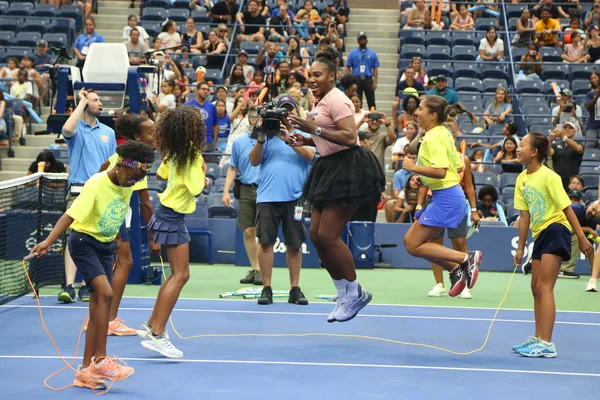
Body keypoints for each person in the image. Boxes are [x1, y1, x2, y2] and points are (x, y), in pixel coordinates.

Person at [30, 140, 155, 390]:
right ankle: (101, 360)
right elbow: (69, 216)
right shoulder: (96, 185)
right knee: (105, 294)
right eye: (133, 177)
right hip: (83, 243)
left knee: (97, 304)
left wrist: (116, 242)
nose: (135, 182)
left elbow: (118, 210)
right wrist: (47, 241)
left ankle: (85, 372)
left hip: (106, 247)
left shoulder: (131, 178)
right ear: (122, 166)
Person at [289, 47, 386, 322]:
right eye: (310, 75)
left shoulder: (338, 99)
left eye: (317, 74)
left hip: (349, 168)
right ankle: (343, 292)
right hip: (329, 166)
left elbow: (349, 136)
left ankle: (356, 293)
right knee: (317, 237)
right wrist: (306, 140)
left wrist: (314, 130)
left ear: (332, 76)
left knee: (329, 236)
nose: (312, 79)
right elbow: (326, 137)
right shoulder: (320, 101)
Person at [513, 132, 593, 357]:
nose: (518, 149)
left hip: (557, 229)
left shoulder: (549, 176)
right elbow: (525, 216)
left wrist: (582, 237)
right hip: (540, 234)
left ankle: (547, 343)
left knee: (545, 287)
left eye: (522, 145)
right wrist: (521, 247)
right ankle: (538, 338)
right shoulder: (522, 179)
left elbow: (567, 208)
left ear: (534, 152)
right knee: (535, 287)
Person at [137, 106, 206, 359]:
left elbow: (161, 173)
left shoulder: (175, 152)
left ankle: (150, 325)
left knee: (177, 274)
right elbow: (197, 187)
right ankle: (157, 334)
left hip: (167, 212)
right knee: (181, 275)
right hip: (172, 216)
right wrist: (203, 173)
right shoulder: (191, 154)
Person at [401, 95, 481, 298]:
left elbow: (442, 171)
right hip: (446, 194)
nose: (416, 113)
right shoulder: (443, 133)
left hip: (446, 197)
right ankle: (456, 269)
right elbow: (455, 166)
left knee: (413, 244)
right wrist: (424, 180)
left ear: (433, 115)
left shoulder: (433, 137)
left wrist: (414, 168)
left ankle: (465, 258)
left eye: (420, 109)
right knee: (409, 240)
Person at [93, 114, 159, 336]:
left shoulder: (120, 154)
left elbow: (101, 170)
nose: (155, 135)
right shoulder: (138, 161)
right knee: (123, 262)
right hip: (108, 215)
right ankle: (107, 320)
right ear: (137, 136)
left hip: (110, 212)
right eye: (150, 132)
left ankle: (105, 318)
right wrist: (153, 237)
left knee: (122, 262)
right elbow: (146, 205)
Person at [249, 95, 314, 305]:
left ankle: (294, 289)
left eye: (289, 110)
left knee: (294, 245)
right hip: (267, 197)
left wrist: (289, 138)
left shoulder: (304, 134)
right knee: (266, 243)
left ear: (295, 112)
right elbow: (254, 160)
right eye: (282, 111)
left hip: (294, 197)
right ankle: (266, 289)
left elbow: (310, 156)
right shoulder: (267, 133)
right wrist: (260, 138)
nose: (286, 115)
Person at [60, 88, 116, 303]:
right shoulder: (76, 130)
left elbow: (112, 163)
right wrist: (81, 102)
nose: (100, 103)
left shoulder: (108, 132)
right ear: (84, 105)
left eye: (100, 99)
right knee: (73, 237)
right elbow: (66, 128)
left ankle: (87, 285)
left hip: (102, 191)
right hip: (79, 189)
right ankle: (69, 286)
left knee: (95, 237)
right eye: (95, 100)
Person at [222, 122, 263, 286]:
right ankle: (255, 269)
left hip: (266, 188)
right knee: (248, 231)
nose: (256, 121)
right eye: (253, 118)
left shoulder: (271, 139)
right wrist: (226, 191)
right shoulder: (239, 142)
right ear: (250, 120)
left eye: (258, 118)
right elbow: (233, 168)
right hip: (246, 188)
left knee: (263, 233)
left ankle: (262, 270)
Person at [345, 32, 379, 111]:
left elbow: (375, 69)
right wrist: (348, 83)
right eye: (360, 39)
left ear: (366, 40)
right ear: (357, 41)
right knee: (356, 99)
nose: (362, 40)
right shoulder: (352, 53)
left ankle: (373, 118)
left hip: (368, 78)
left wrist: (375, 82)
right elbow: (348, 68)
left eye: (364, 39)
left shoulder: (372, 53)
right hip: (356, 79)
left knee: (371, 101)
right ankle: (356, 116)